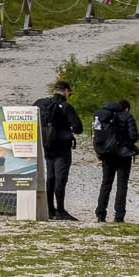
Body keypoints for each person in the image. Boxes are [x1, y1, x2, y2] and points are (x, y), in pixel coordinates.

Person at [34, 78, 81, 220]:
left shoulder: (45, 105)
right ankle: (60, 210)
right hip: (62, 147)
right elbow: (78, 127)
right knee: (61, 178)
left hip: (48, 145)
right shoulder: (66, 107)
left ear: (55, 90)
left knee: (51, 177)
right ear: (66, 91)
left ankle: (50, 209)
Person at [91, 96, 139, 222]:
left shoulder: (103, 116)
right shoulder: (127, 117)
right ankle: (119, 216)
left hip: (107, 154)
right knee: (122, 185)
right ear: (126, 108)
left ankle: (100, 215)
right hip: (123, 155)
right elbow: (134, 136)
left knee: (106, 184)